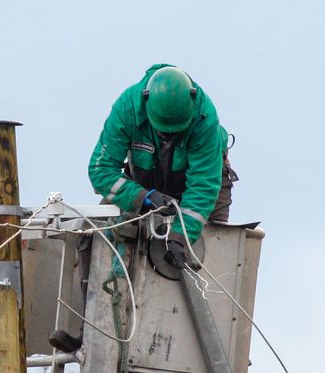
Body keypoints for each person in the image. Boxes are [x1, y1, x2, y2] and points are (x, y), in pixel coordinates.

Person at [49, 64, 236, 354]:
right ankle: (91, 326)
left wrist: (179, 236)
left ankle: (198, 348)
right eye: (163, 133)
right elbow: (101, 171)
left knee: (206, 253)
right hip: (144, 182)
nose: (169, 138)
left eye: (176, 133)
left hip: (200, 184)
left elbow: (202, 187)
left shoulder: (204, 117)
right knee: (94, 233)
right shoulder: (128, 107)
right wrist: (144, 197)